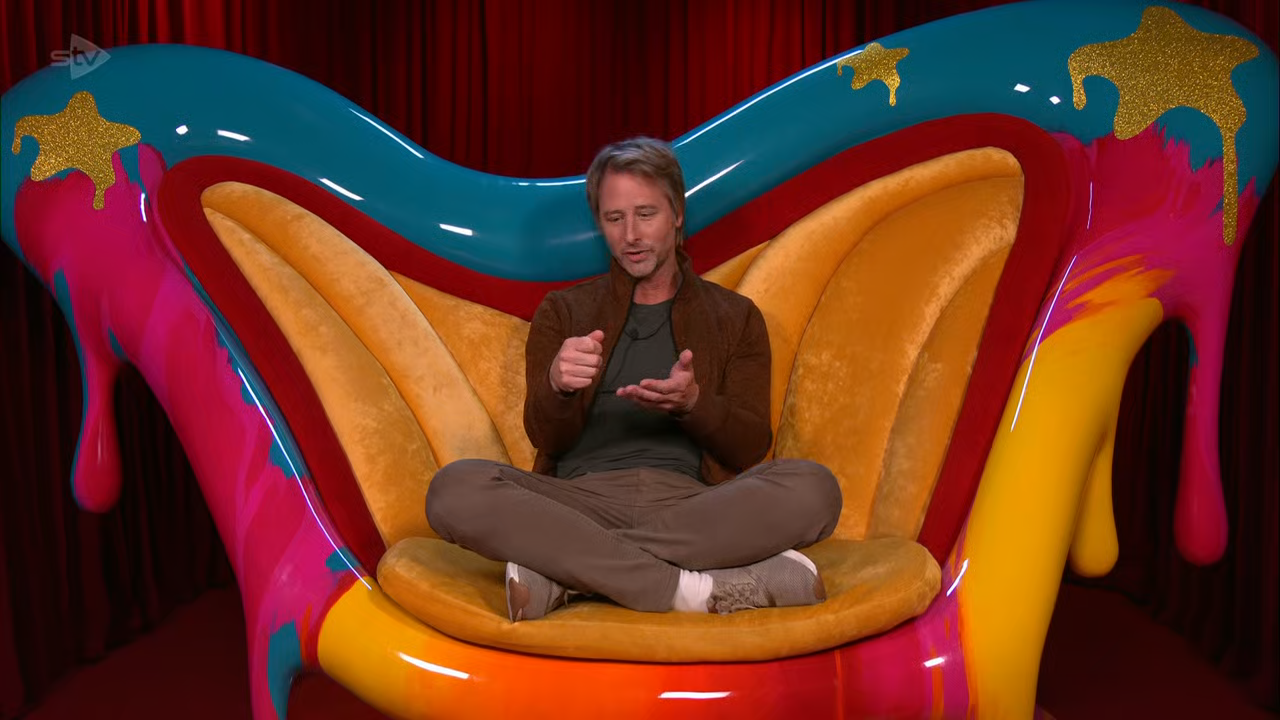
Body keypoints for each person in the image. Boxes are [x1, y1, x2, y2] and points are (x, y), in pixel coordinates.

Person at [425, 137, 841, 622]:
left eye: (646, 214)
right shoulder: (564, 310)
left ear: (677, 214)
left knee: (815, 489)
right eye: (614, 218)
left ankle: (569, 573)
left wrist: (694, 404)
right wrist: (558, 386)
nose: (631, 235)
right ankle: (689, 589)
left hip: (695, 507)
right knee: (454, 489)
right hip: (576, 504)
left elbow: (750, 447)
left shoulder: (736, 316)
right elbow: (547, 438)